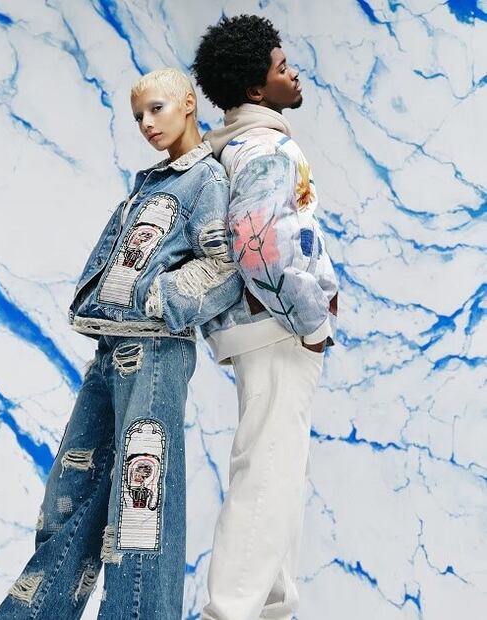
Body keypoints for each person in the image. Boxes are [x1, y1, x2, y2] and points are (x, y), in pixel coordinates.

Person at [0, 68, 242, 620]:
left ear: (188, 104)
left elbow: (224, 267)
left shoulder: (205, 180)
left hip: (154, 353)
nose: (146, 123)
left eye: (156, 109)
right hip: (111, 349)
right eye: (138, 116)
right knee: (71, 491)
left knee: (139, 508)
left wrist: (153, 296)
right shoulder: (153, 181)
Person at [192, 15, 339, 620]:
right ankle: (230, 612)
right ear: (257, 89)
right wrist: (311, 320)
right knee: (268, 472)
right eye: (282, 67)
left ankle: (272, 608)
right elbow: (257, 247)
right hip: (278, 327)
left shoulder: (232, 147)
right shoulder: (267, 148)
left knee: (279, 469)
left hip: (261, 326)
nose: (293, 72)